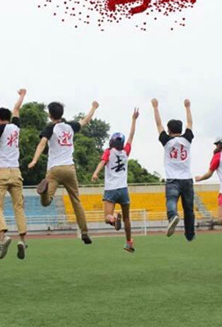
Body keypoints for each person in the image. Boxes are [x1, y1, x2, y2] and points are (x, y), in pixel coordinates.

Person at [29, 100, 99, 244]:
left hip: (54, 170)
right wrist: (93, 107)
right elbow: (85, 120)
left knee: (46, 202)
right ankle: (84, 232)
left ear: (50, 115)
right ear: (61, 113)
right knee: (76, 201)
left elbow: (42, 143)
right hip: (69, 169)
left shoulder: (50, 128)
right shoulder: (70, 126)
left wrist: (35, 160)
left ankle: (44, 193)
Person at [0, 89, 28, 260]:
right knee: (19, 207)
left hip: (1, 172)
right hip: (16, 171)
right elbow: (16, 108)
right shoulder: (15, 127)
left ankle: (3, 238)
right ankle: (22, 240)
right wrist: (22, 95)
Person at [91, 108, 139, 253]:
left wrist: (95, 173)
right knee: (127, 218)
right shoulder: (126, 152)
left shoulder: (108, 152)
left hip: (111, 189)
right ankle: (129, 243)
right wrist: (134, 119)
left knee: (107, 217)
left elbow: (102, 162)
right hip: (123, 189)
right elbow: (131, 136)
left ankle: (113, 219)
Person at [151, 98, 196, 241]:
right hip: (187, 179)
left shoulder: (166, 141)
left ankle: (173, 216)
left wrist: (155, 107)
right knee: (188, 209)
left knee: (171, 199)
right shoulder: (187, 139)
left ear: (169, 130)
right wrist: (187, 107)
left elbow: (158, 124)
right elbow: (190, 123)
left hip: (172, 179)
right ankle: (190, 234)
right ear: (181, 130)